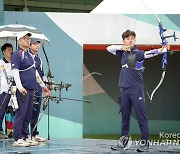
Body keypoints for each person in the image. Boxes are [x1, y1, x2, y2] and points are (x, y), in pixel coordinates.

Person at [107, 30, 170, 152]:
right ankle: (123, 143)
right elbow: (109, 48)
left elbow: (150, 53)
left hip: (136, 90)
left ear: (135, 40)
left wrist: (163, 49)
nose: (130, 40)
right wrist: (122, 47)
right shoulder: (122, 54)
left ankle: (144, 143)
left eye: (132, 38)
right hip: (124, 90)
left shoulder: (138, 53)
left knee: (141, 117)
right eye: (127, 38)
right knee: (125, 117)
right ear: (124, 40)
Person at [11, 33, 49, 147]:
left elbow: (35, 73)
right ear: (19, 41)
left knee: (28, 114)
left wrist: (42, 85)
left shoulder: (28, 55)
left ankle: (25, 136)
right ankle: (18, 138)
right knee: (21, 114)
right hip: (23, 89)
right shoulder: (18, 54)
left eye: (28, 39)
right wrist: (19, 86)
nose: (28, 41)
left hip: (32, 89)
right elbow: (15, 71)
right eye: (25, 39)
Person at [29, 38, 46, 142]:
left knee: (36, 112)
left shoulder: (39, 59)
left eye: (38, 44)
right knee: (28, 112)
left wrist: (48, 82)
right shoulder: (27, 57)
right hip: (30, 88)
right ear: (30, 46)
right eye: (35, 44)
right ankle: (26, 135)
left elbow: (42, 74)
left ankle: (34, 133)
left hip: (39, 89)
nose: (37, 46)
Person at [0, 43, 13, 139]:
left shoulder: (14, 63)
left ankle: (9, 131)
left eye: (12, 49)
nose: (11, 51)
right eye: (9, 50)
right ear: (3, 52)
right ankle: (0, 131)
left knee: (11, 112)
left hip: (13, 92)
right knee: (1, 111)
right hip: (3, 91)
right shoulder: (0, 63)